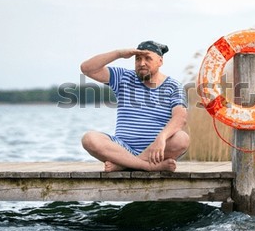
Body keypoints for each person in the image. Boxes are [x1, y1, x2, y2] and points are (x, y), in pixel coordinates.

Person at [80, 41, 190, 172]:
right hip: (122, 148)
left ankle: (124, 164)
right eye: (138, 59)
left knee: (182, 139)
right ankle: (146, 166)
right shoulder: (123, 77)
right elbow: (87, 68)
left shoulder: (174, 86)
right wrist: (119, 53)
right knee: (89, 139)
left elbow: (180, 117)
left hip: (156, 149)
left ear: (160, 61)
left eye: (148, 58)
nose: (142, 63)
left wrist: (161, 138)